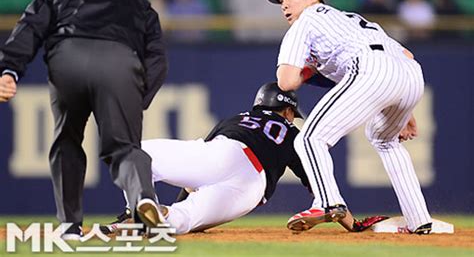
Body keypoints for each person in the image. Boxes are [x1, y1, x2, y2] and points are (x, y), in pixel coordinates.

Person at [0, 0, 168, 239]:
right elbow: (156, 54)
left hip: (69, 58)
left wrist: (9, 69)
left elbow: (30, 28)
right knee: (125, 147)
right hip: (120, 63)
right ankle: (143, 196)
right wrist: (138, 97)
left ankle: (70, 227)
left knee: (66, 140)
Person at [265, 0, 432, 234]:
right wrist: (405, 110)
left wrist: (308, 70)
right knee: (384, 140)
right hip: (411, 74)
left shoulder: (306, 20)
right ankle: (419, 220)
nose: (284, 4)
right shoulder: (351, 19)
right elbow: (406, 55)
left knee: (309, 139)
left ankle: (328, 202)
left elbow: (286, 82)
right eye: (281, 0)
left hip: (372, 68)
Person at [101, 82, 387, 235]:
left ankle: (136, 210)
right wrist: (352, 223)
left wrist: (182, 195)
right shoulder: (295, 135)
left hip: (225, 152)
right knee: (182, 221)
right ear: (288, 112)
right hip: (250, 187)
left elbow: (194, 177)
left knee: (136, 154)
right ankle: (163, 216)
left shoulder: (238, 118)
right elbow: (318, 185)